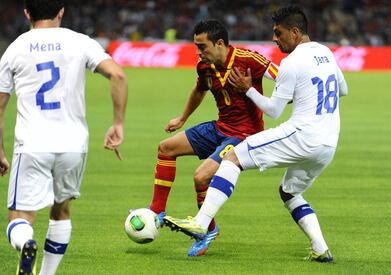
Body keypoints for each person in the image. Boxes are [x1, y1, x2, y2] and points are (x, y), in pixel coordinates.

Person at [164, 6, 348, 263]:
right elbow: (343, 89)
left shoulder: (291, 63)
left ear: (295, 32)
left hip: (302, 135)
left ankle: (200, 222)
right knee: (289, 192)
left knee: (232, 159)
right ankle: (320, 248)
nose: (274, 38)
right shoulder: (326, 53)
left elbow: (273, 111)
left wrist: (248, 89)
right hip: (329, 143)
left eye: (278, 33)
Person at [0, 1, 127, 274]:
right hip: (74, 145)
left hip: (33, 144)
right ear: (61, 12)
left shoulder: (15, 49)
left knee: (20, 217)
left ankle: (25, 244)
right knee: (61, 211)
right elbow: (117, 74)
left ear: (27, 13)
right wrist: (117, 123)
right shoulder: (80, 42)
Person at [148, 19, 278, 257]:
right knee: (166, 148)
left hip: (244, 135)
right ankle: (156, 211)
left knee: (200, 176)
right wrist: (182, 118)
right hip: (220, 127)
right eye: (196, 46)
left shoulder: (249, 60)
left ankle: (207, 230)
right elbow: (199, 90)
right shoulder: (204, 66)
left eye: (202, 46)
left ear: (219, 43)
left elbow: (283, 79)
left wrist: (275, 99)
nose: (199, 52)